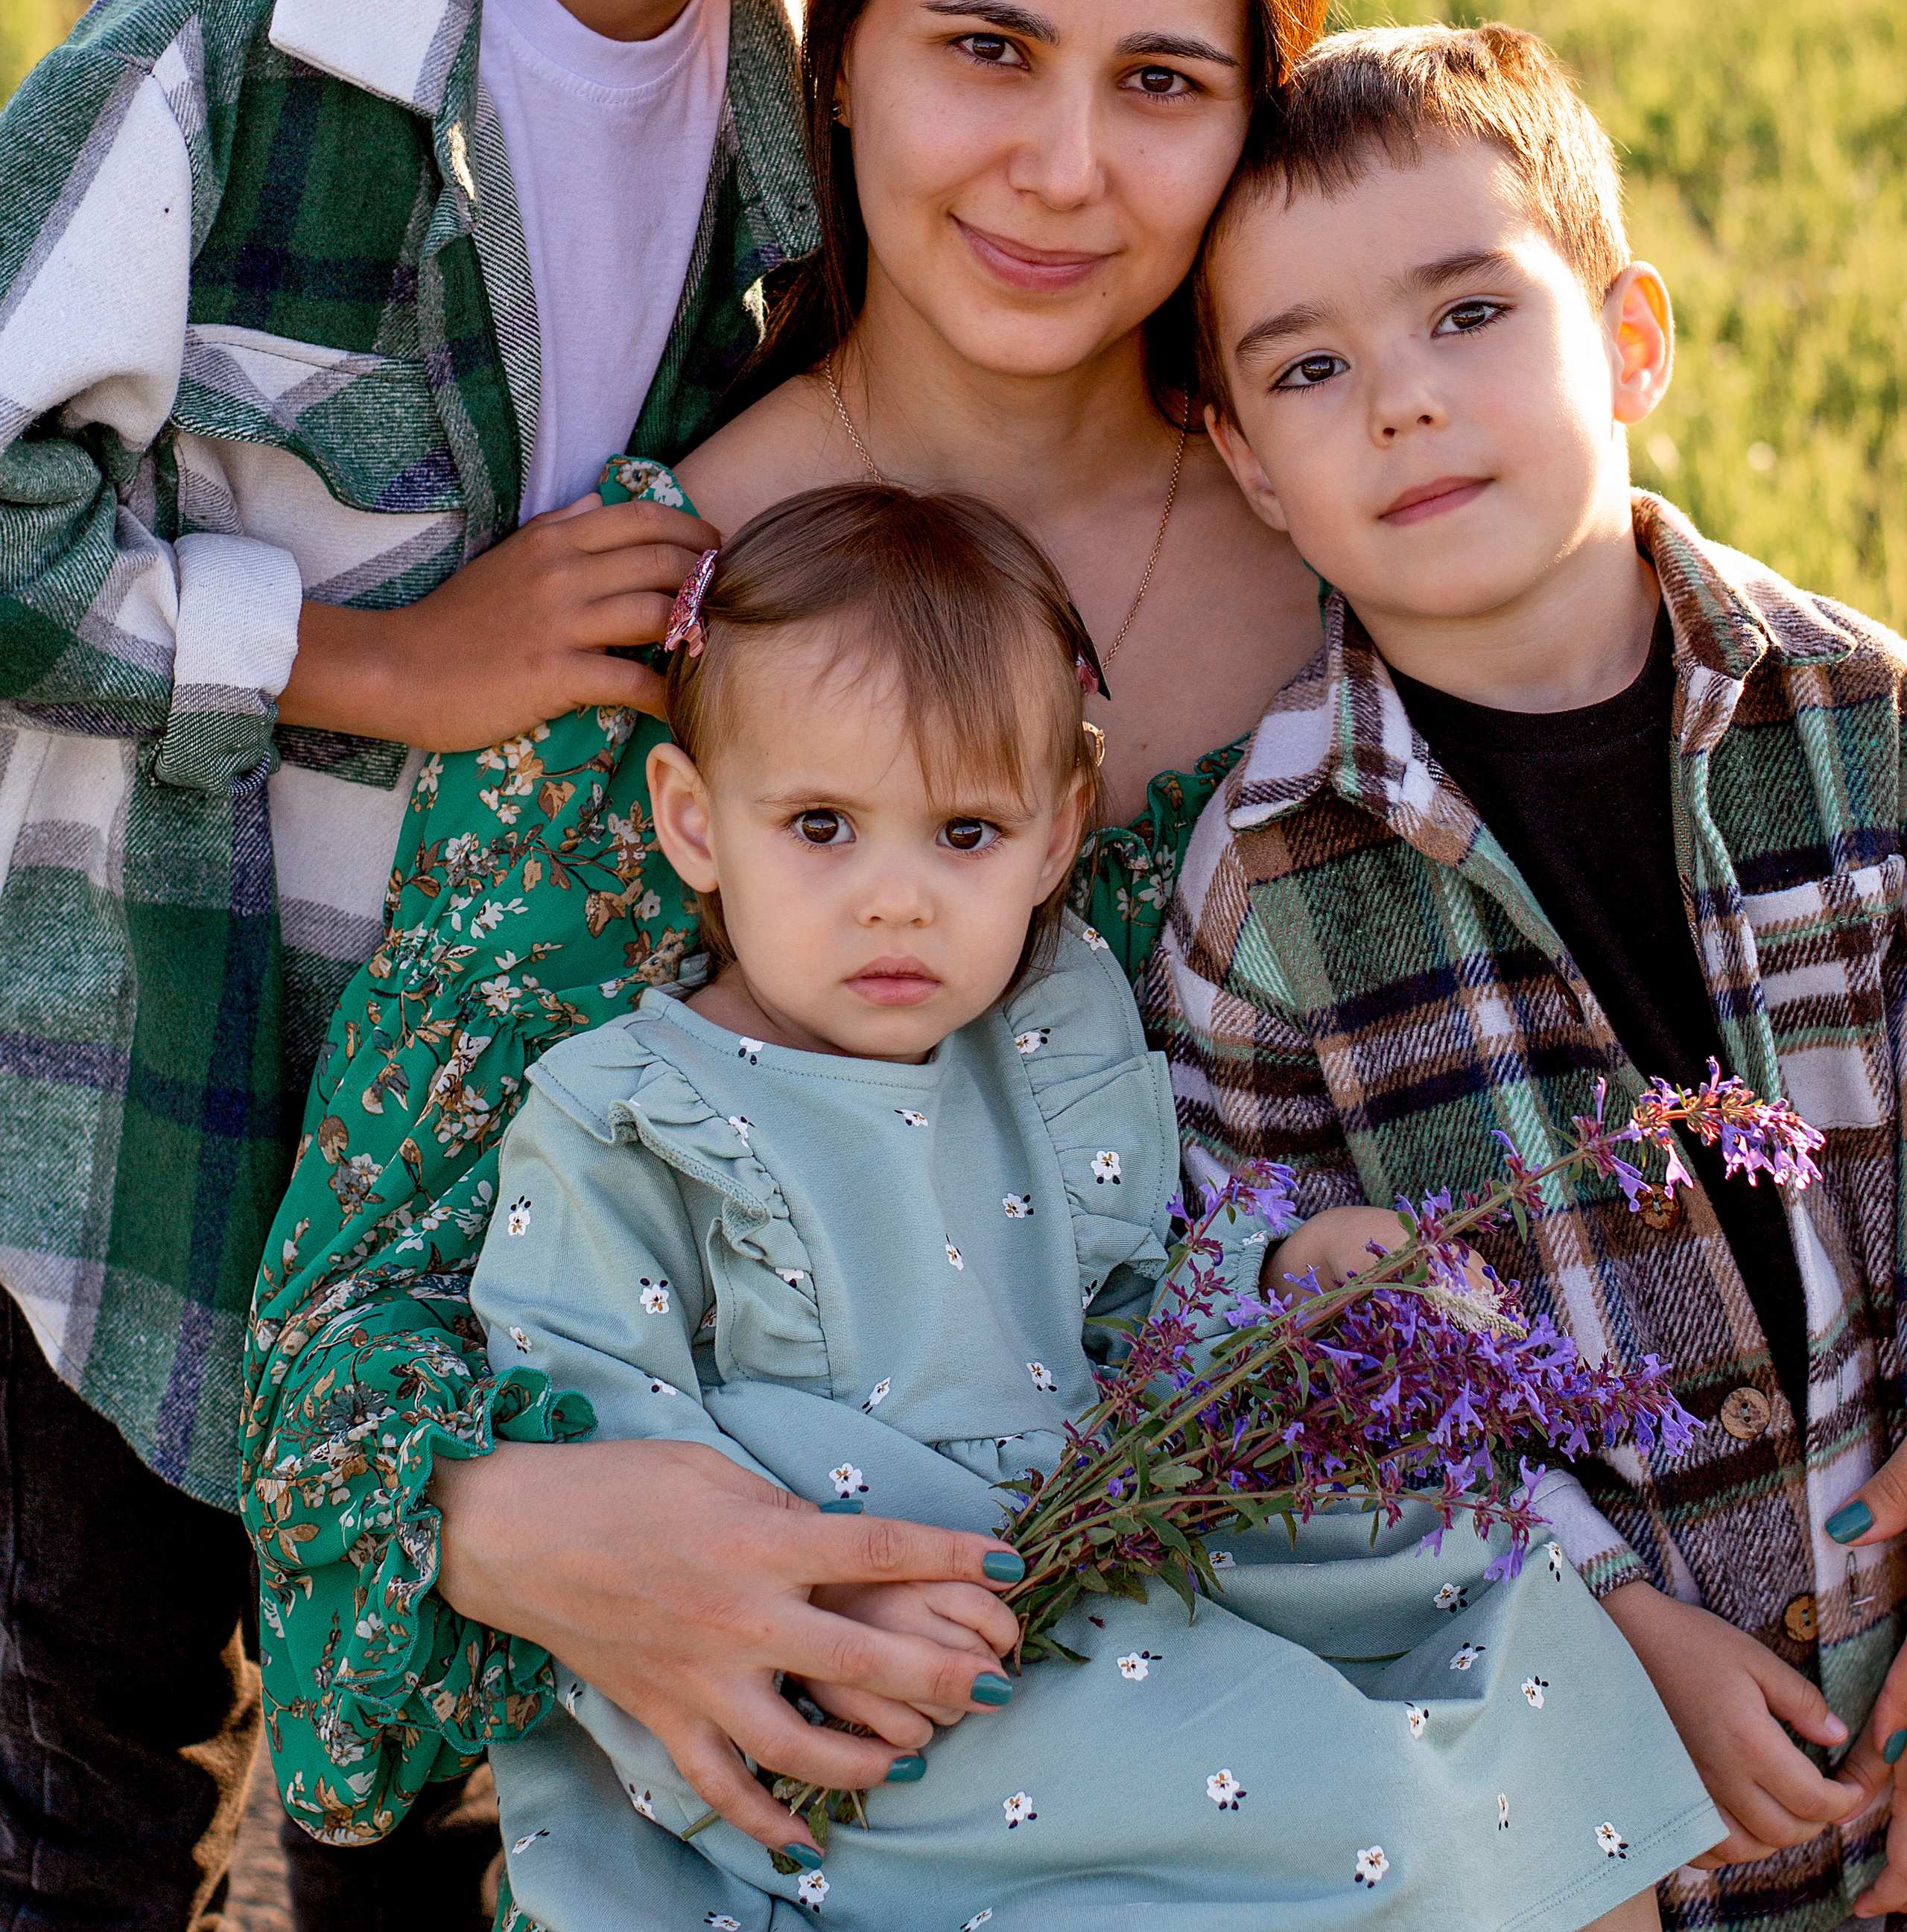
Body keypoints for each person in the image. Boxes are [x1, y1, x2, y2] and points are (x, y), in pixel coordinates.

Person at [0, 0, 1030, 1928]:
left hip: (499, 1131)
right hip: (165, 1073)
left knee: (433, 1786)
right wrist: (376, 662)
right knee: (108, 1761)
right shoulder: (263, 23)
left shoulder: (799, 117)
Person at [241, 0, 1338, 1855]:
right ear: (840, 55)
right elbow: (339, 1348)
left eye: (1164, 88)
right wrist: (530, 1531)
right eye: (988, 50)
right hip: (805, 1789)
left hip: (1293, 1720)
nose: (1061, 168)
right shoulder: (657, 632)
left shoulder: (1367, 578)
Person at [469, 477, 1717, 1932]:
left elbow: (1138, 1310)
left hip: (1112, 1562)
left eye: (961, 834)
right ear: (692, 823)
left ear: (1057, 834)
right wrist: (801, 1621)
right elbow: (594, 1436)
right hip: (868, 1688)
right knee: (1354, 1811)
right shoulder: (631, 1108)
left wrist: (1287, 1286)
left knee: (1502, 1644)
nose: (893, 899)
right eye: (819, 825)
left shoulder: (1046, 1043)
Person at [1152, 19, 1907, 1932]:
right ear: (1245, 464)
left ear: (1628, 340)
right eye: (1308, 367)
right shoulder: (1262, 902)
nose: (1398, 402)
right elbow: (1306, 1366)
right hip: (1609, 1806)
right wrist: (1608, 1626)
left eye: (1465, 316)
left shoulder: (1866, 730)